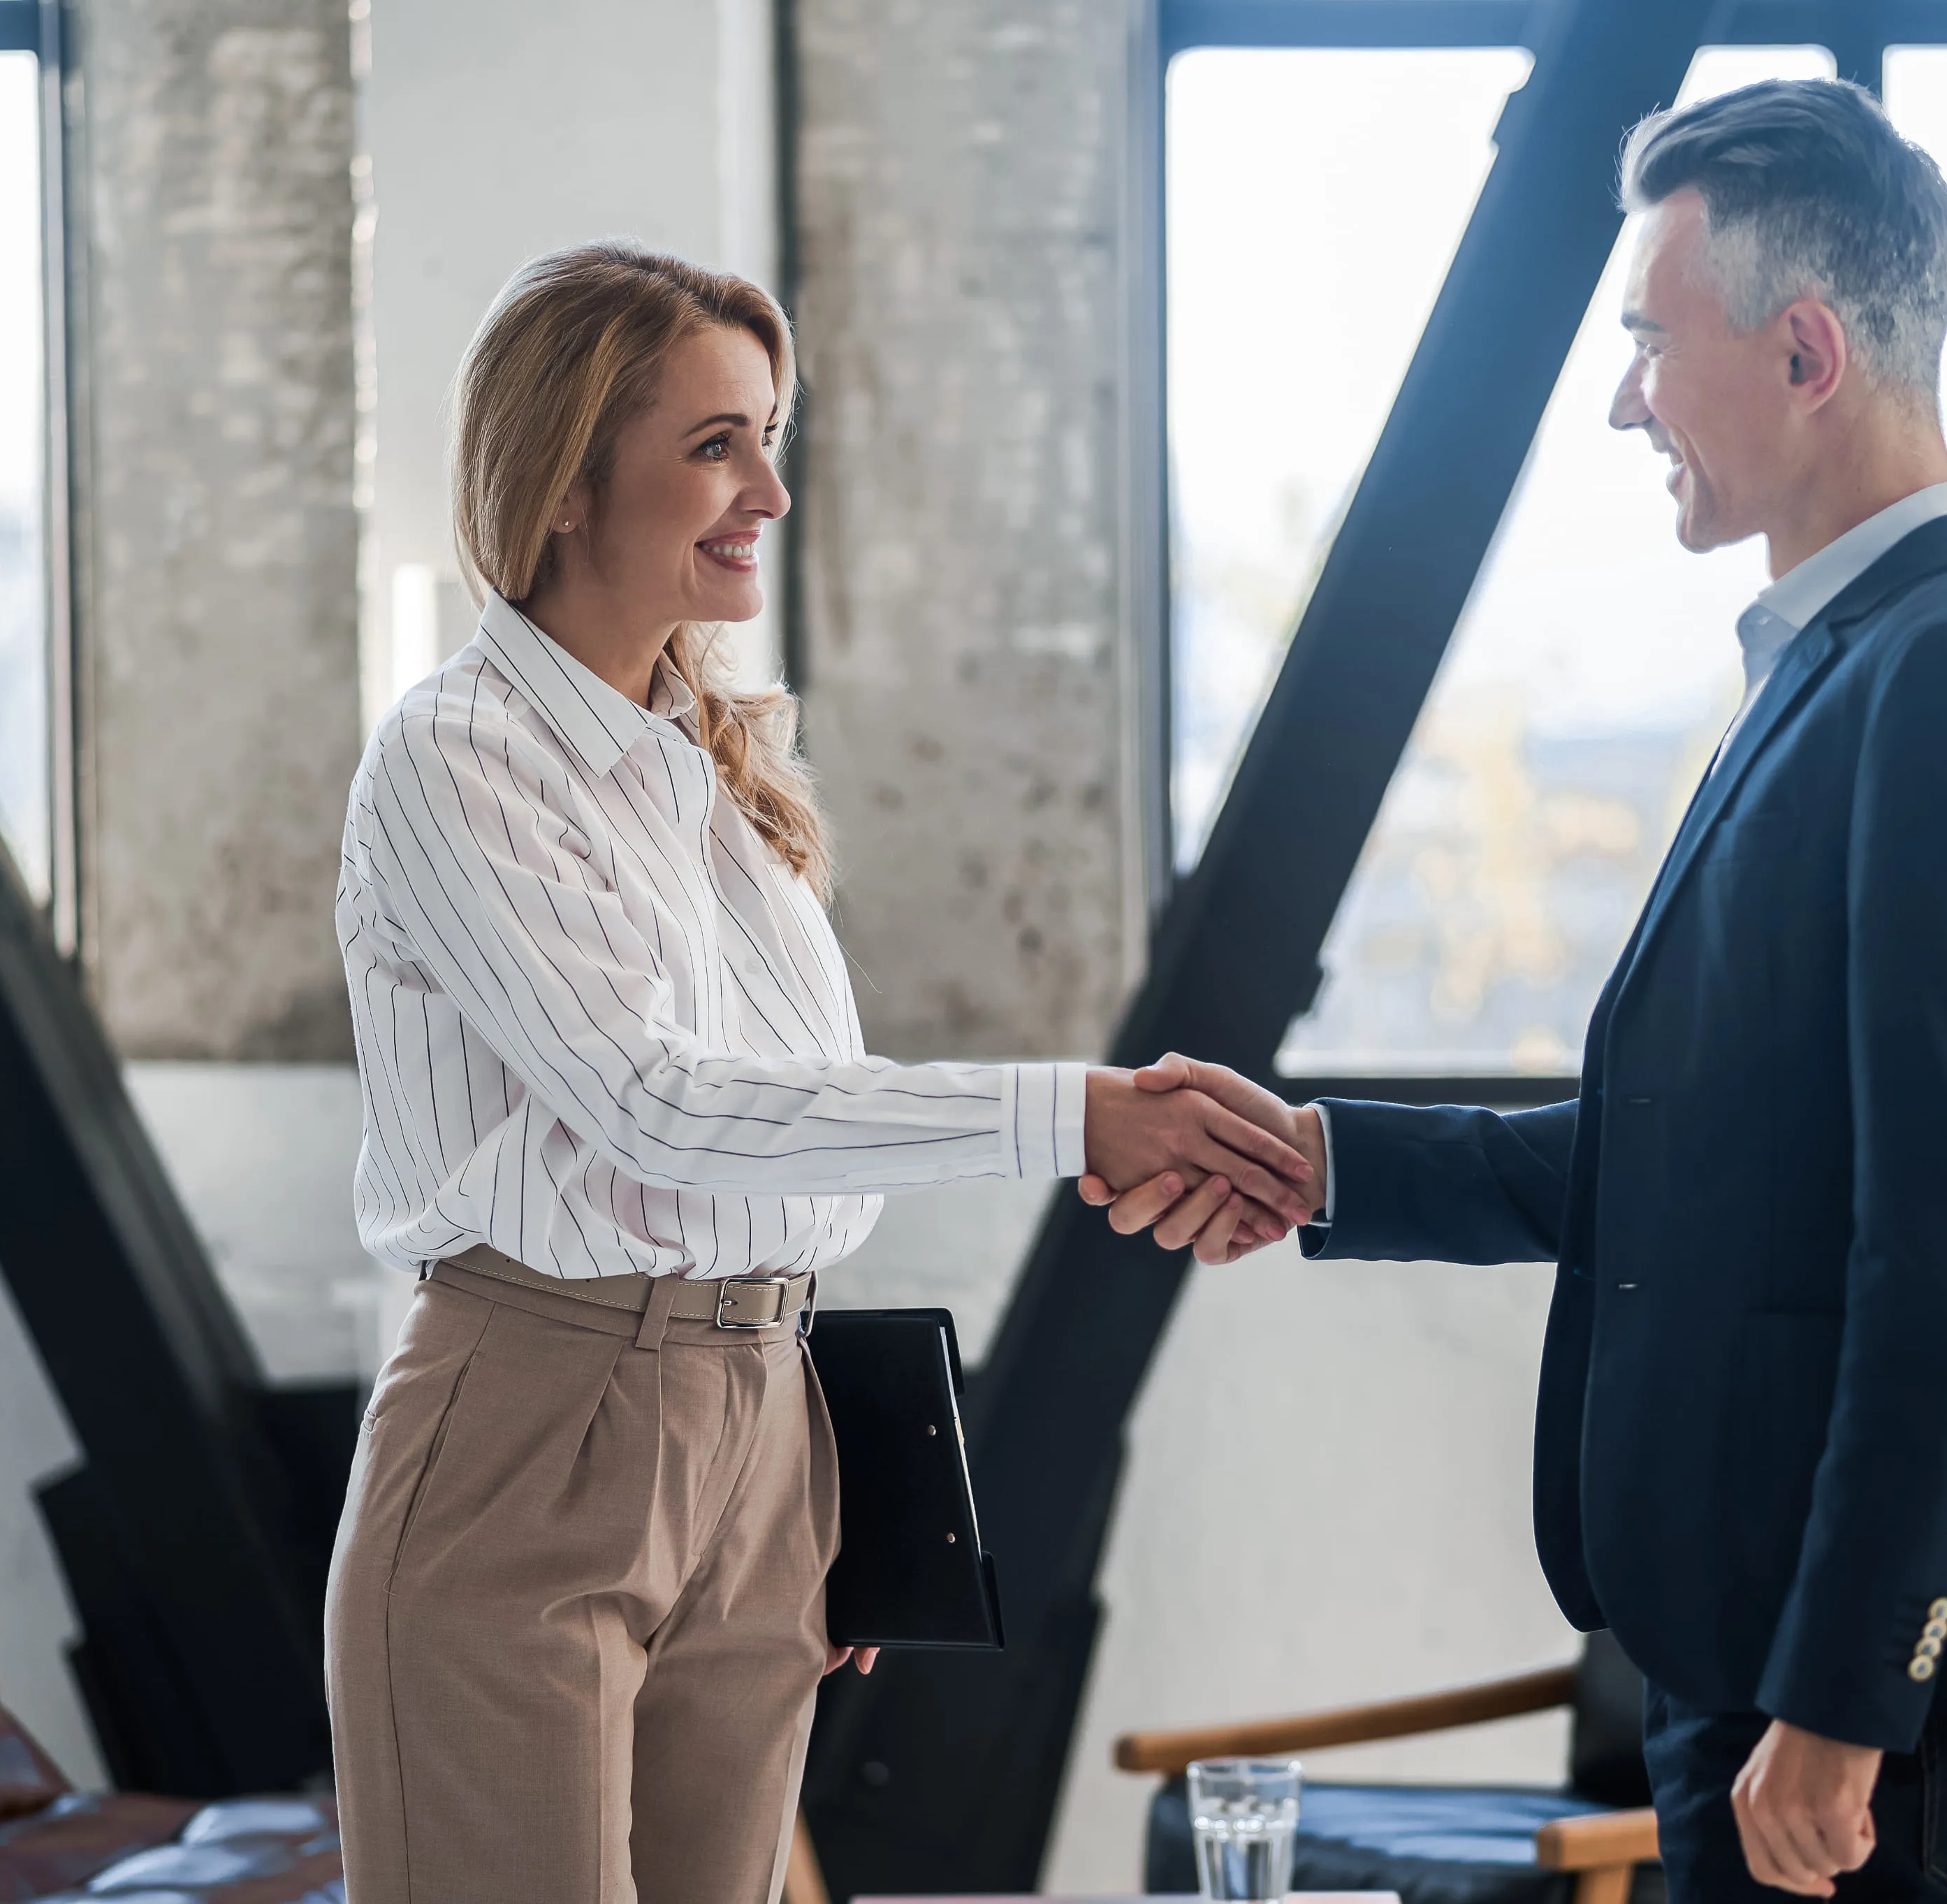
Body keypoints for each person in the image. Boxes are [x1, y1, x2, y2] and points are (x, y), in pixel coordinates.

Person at [1088, 80, 1947, 1901]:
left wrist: (1841, 1698)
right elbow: (1712, 1152)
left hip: (1823, 1690)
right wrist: (1330, 1161)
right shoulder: (1845, 671)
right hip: (1735, 1650)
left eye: (1651, 340)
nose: (1623, 396)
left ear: (1806, 350)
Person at [324, 242, 1318, 1904]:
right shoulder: (454, 755)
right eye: (717, 443)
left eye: (768, 437)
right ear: (567, 474)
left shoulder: (711, 771)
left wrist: (792, 1468)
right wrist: (1064, 1108)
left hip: (759, 1427)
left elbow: (802, 1139)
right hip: (527, 1422)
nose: (769, 491)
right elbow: (656, 1104)